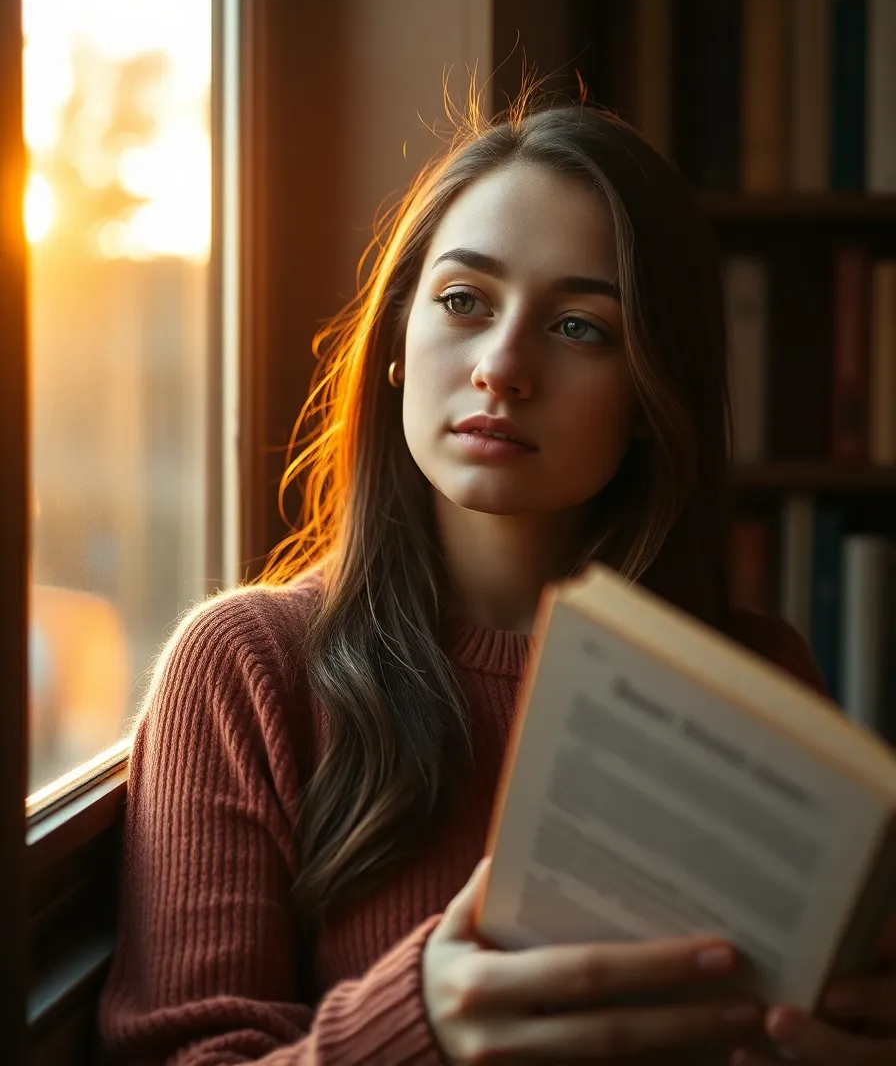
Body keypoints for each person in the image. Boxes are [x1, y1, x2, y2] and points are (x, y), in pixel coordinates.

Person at [97, 87, 896, 1065]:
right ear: (398, 340)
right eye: (463, 301)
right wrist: (420, 1023)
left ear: (651, 398)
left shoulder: (755, 676)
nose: (503, 367)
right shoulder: (246, 669)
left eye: (579, 327)